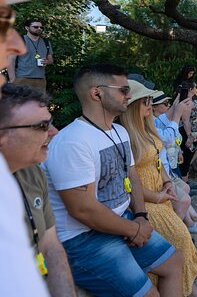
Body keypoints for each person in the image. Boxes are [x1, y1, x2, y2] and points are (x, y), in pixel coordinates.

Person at [43, 63, 184, 296]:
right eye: (123, 90)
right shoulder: (73, 141)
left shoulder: (119, 132)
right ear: (96, 93)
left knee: (174, 261)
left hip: (122, 221)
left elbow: (132, 177)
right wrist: (132, 229)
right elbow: (83, 210)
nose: (129, 96)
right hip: (83, 239)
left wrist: (140, 215)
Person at [120, 80, 197, 297]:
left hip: (161, 195)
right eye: (145, 100)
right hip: (146, 201)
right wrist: (157, 196)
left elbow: (159, 161)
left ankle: (192, 289)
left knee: (182, 243)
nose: (150, 104)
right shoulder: (125, 135)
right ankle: (195, 287)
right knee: (180, 242)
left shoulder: (147, 128)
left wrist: (166, 182)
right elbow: (130, 183)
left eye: (150, 100)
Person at [0, 0, 58, 297]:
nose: (18, 45)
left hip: (40, 78)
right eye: (0, 23)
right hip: (24, 77)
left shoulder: (15, 168)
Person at [0, 84, 76, 296]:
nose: (54, 132)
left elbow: (50, 245)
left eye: (50, 123)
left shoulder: (33, 172)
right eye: (42, 126)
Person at [152, 91, 197, 234]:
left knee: (185, 189)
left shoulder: (157, 119)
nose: (168, 106)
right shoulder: (153, 122)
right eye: (165, 104)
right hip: (163, 168)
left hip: (168, 164)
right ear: (153, 107)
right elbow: (167, 137)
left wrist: (180, 99)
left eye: (169, 103)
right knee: (184, 197)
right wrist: (177, 114)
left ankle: (194, 218)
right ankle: (179, 231)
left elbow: (172, 131)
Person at [8, 18, 53, 92]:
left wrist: (47, 61)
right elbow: (10, 60)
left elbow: (50, 59)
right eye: (35, 27)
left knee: (39, 103)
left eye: (41, 27)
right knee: (21, 103)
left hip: (41, 79)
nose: (39, 29)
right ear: (27, 28)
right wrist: (12, 79)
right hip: (22, 79)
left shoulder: (46, 42)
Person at [177, 80, 197, 185]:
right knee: (186, 158)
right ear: (190, 89)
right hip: (188, 134)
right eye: (195, 87)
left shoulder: (191, 101)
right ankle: (184, 184)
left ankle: (186, 182)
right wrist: (190, 136)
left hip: (193, 134)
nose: (196, 89)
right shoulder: (187, 102)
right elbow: (185, 121)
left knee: (188, 157)